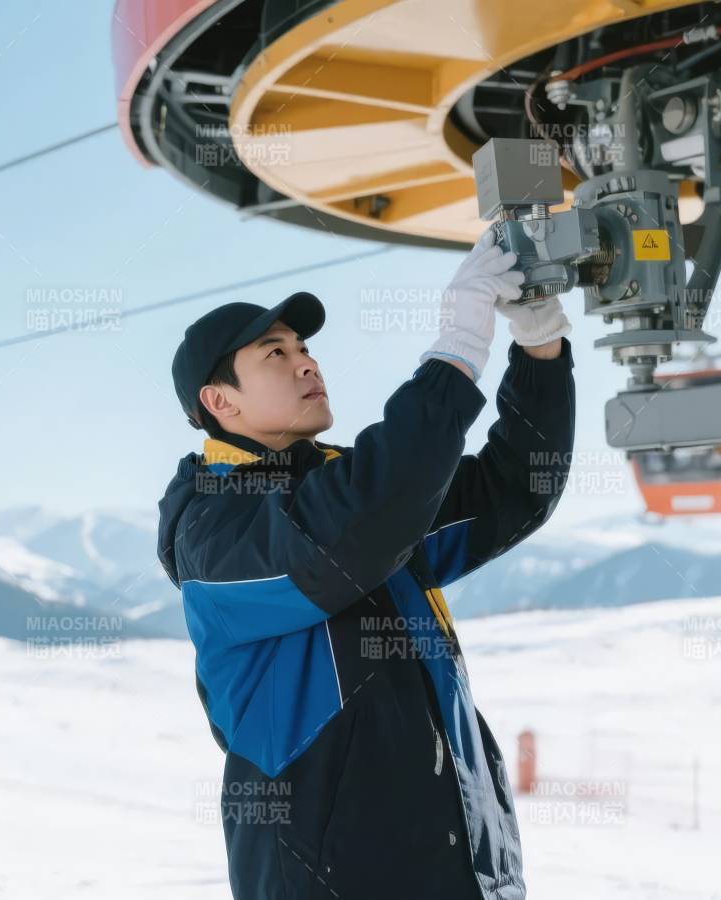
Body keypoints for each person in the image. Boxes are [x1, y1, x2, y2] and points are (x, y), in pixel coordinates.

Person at [155, 232, 576, 900]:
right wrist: (456, 348)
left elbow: (514, 491)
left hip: (461, 872)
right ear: (221, 404)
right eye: (275, 354)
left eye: (304, 348)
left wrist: (540, 349)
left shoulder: (354, 495)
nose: (305, 364)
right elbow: (353, 525)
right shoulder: (215, 529)